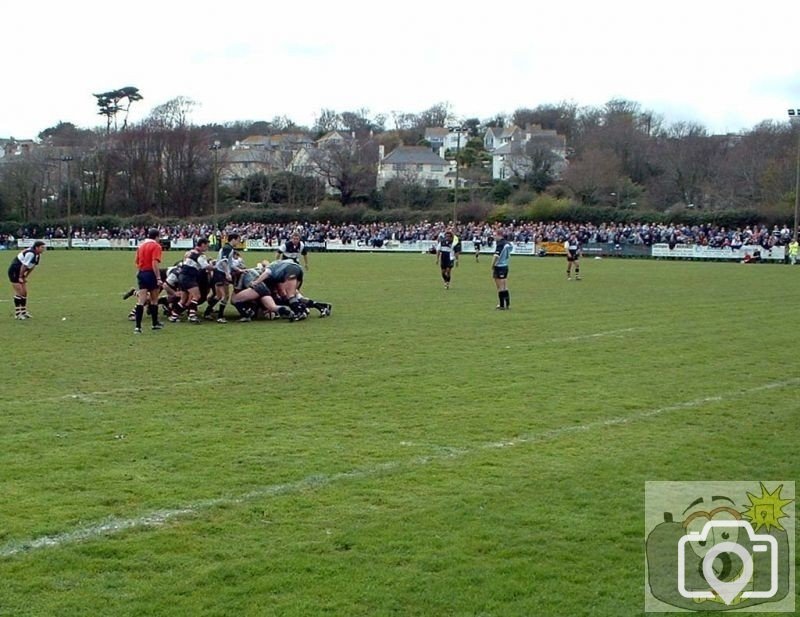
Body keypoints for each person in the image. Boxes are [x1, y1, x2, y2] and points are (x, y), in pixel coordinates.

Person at [231, 259, 305, 321]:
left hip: (256, 287)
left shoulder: (242, 274)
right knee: (272, 306)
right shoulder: (256, 270)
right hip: (264, 288)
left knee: (235, 299)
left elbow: (237, 290)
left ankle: (246, 315)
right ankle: (288, 312)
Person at [172, 238, 211, 323]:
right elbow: (205, 266)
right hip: (189, 277)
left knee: (183, 299)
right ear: (203, 245)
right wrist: (214, 267)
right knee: (197, 296)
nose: (207, 248)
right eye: (207, 246)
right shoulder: (199, 255)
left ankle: (174, 316)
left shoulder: (190, 252)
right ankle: (192, 316)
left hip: (181, 276)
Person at [132, 229, 164, 333]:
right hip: (151, 273)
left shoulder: (141, 246)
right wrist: (158, 277)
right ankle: (154, 324)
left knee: (141, 300)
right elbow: (154, 262)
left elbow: (137, 261)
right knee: (154, 299)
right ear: (157, 237)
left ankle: (138, 327)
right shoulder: (156, 246)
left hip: (141, 273)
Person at [204, 233, 239, 323]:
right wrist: (227, 273)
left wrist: (237, 269)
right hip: (221, 274)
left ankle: (207, 313)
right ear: (233, 239)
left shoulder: (228, 248)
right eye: (238, 240)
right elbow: (223, 262)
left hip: (219, 273)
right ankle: (220, 317)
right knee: (225, 296)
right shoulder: (227, 248)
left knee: (219, 296)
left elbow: (228, 263)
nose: (238, 242)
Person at [8, 240, 45, 320]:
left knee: (24, 293)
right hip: (14, 271)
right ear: (37, 247)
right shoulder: (30, 253)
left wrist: (25, 277)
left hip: (21, 273)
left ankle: (24, 312)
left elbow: (32, 267)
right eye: (42, 247)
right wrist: (20, 277)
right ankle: (18, 314)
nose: (43, 249)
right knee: (20, 292)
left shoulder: (37, 255)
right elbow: (24, 266)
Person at [492, 231, 512, 310]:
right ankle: (507, 304)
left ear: (499, 235)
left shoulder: (500, 244)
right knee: (505, 285)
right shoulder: (508, 243)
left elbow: (496, 256)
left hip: (499, 266)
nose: (494, 237)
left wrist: (492, 265)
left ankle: (501, 305)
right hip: (505, 265)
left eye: (495, 235)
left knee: (499, 286)